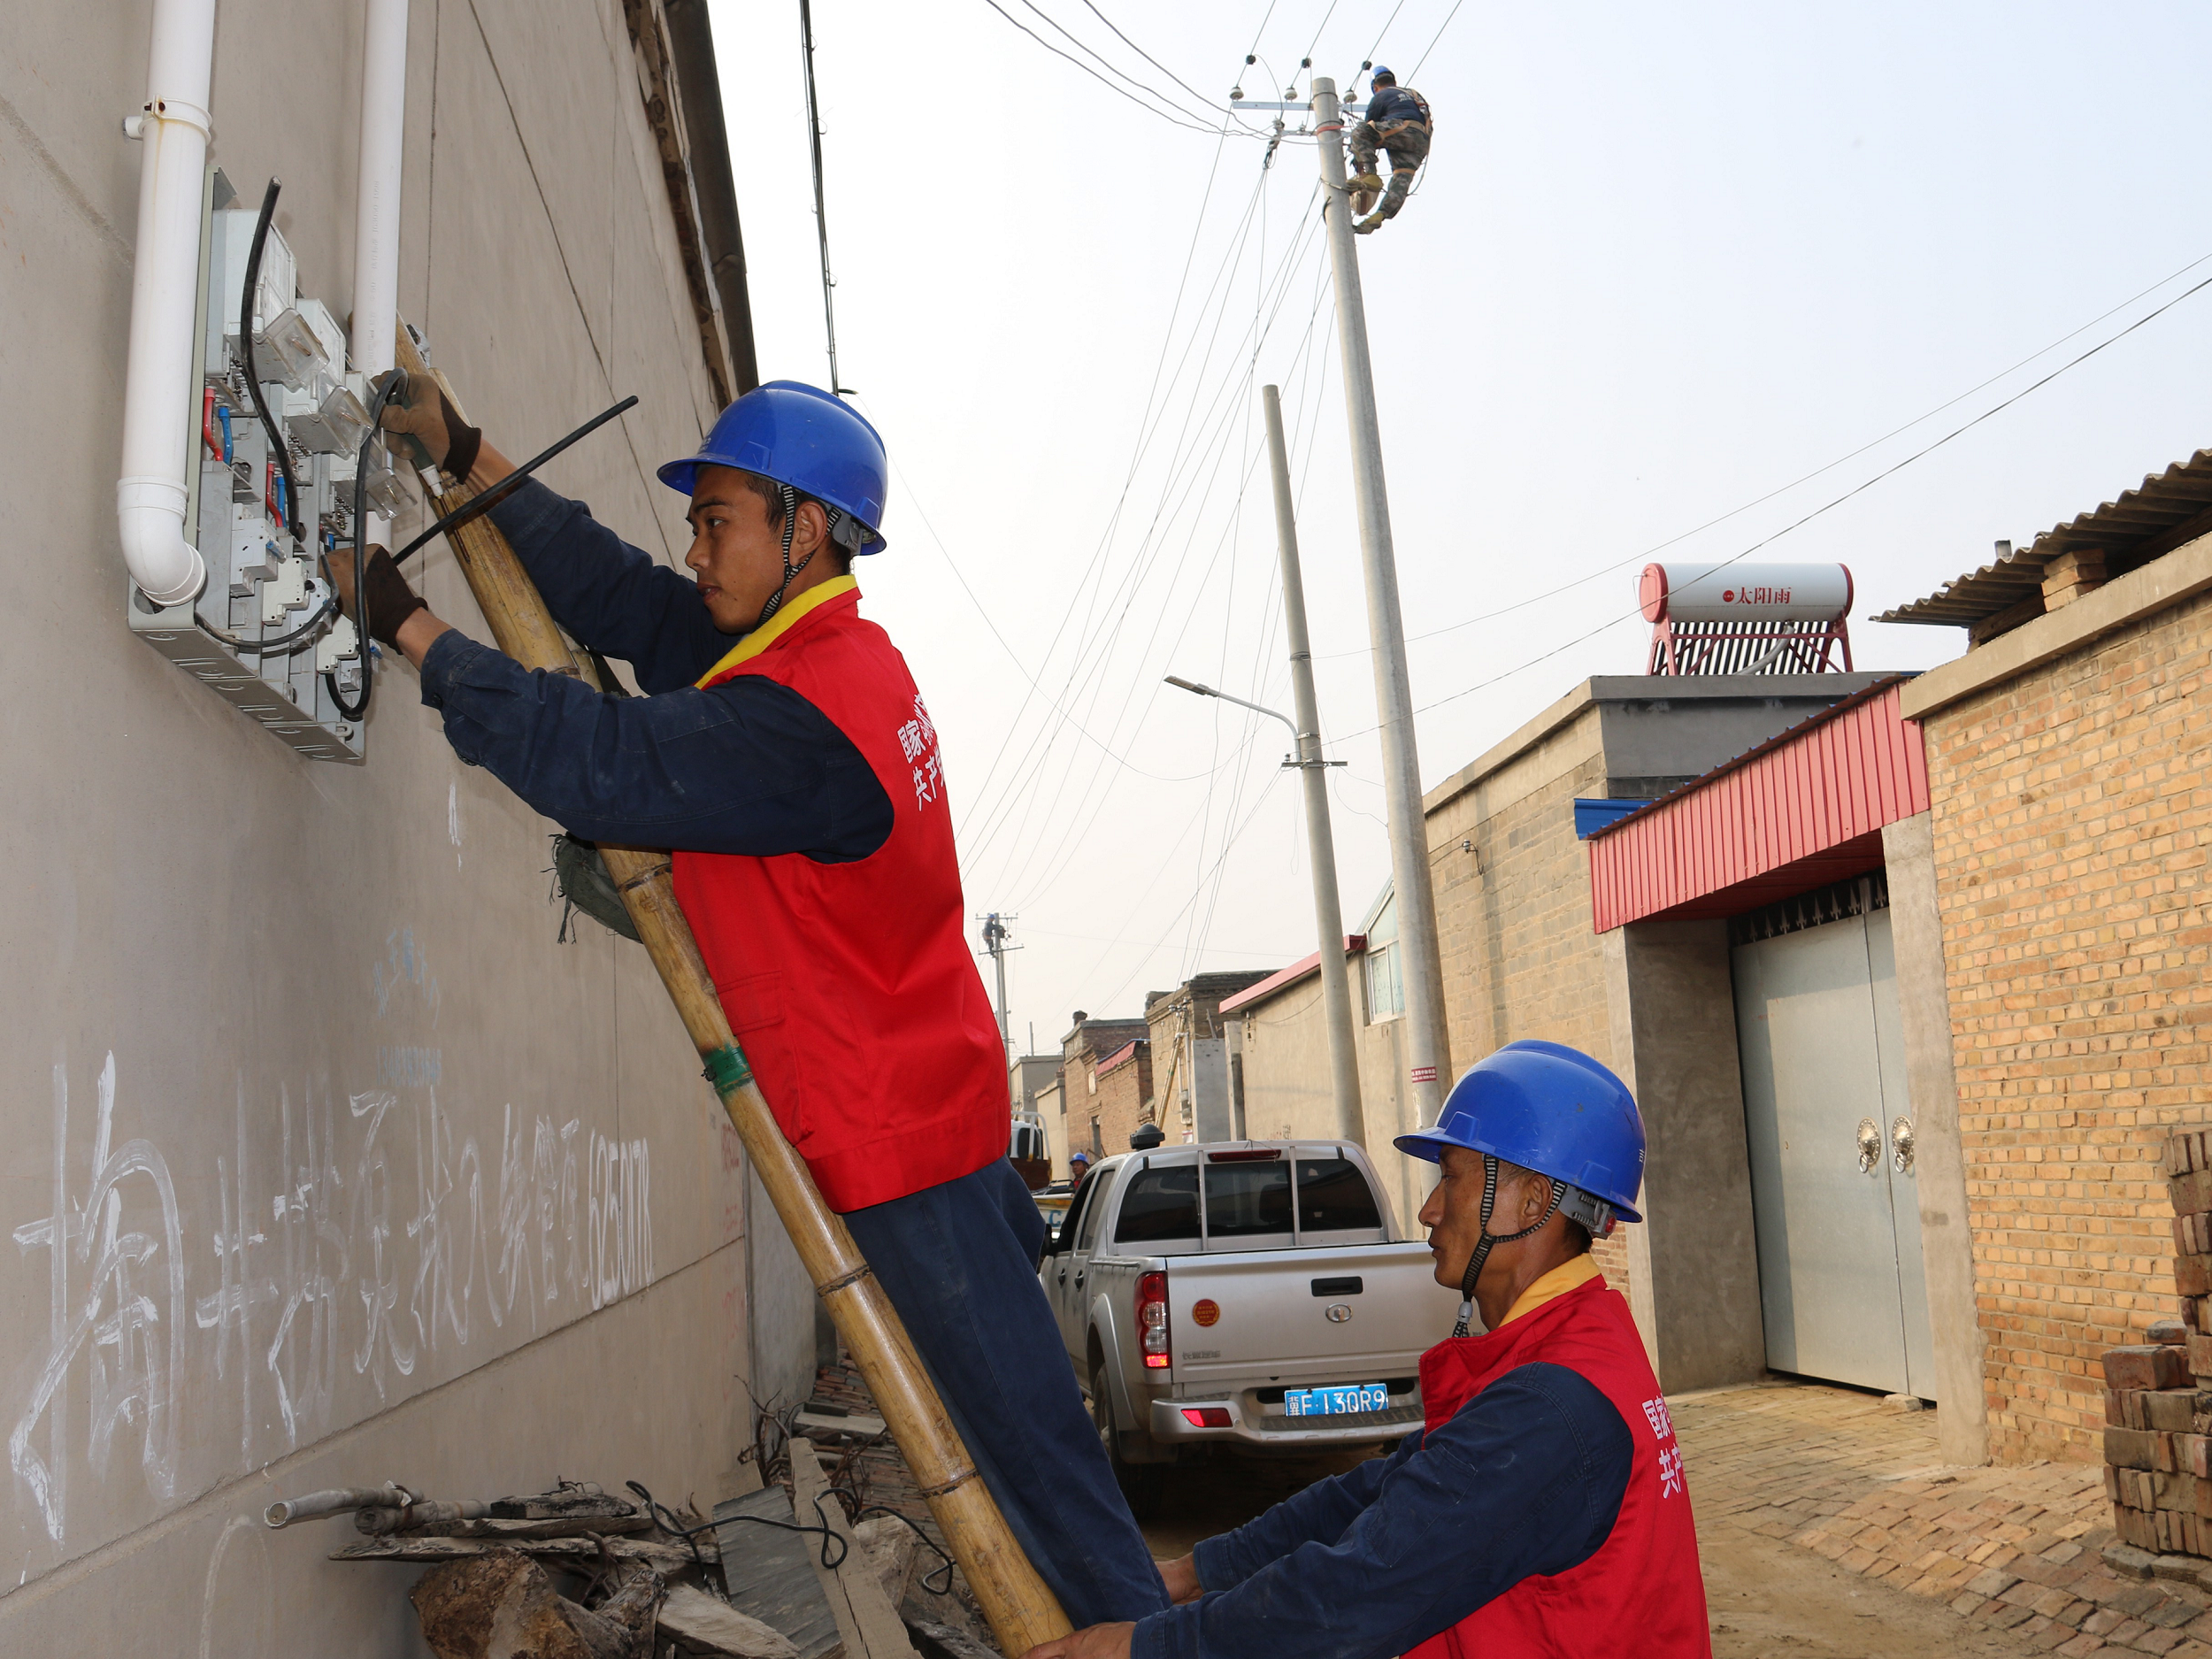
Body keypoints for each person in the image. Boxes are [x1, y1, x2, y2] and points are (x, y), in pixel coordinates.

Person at [347, 376, 1170, 1629]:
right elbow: (627, 598)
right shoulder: (819, 657)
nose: (695, 549)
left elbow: (602, 763)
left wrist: (410, 629)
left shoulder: (801, 718)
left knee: (1037, 1478)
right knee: (1030, 1458)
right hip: (933, 1119)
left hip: (905, 1148)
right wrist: (465, 453)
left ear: (805, 529)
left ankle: (1138, 1638)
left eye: (716, 521)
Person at [1023, 1040, 1710, 1659]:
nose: (1429, 1209)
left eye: (1452, 1177)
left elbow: (1358, 1589)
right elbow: (1377, 1489)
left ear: (1530, 1201)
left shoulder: (1549, 1406)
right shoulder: (1570, 1343)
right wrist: (1199, 1572)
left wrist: (1147, 1646)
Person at [1346, 66, 1432, 234]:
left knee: (1360, 132)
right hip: (1421, 141)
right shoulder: (1413, 94)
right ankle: (1381, 214)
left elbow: (1367, 130)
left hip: (1402, 129)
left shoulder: (1381, 95)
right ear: (1394, 81)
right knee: (1401, 180)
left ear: (1375, 87)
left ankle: (1371, 175)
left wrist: (1360, 160)